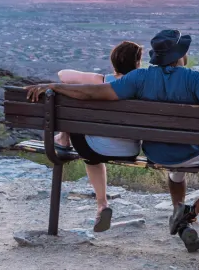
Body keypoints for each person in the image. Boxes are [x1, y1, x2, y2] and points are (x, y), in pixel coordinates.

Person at [25, 30, 199, 252]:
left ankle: (178, 209)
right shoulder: (196, 79)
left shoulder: (137, 78)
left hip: (156, 153)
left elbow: (91, 92)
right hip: (193, 152)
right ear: (180, 56)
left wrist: (52, 86)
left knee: (176, 168)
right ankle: (189, 214)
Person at [53, 41, 143, 233]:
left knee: (72, 97)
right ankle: (101, 205)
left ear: (114, 62)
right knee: (95, 150)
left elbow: (62, 75)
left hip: (94, 149)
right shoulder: (143, 85)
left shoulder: (103, 80)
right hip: (131, 151)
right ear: (137, 64)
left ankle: (63, 139)